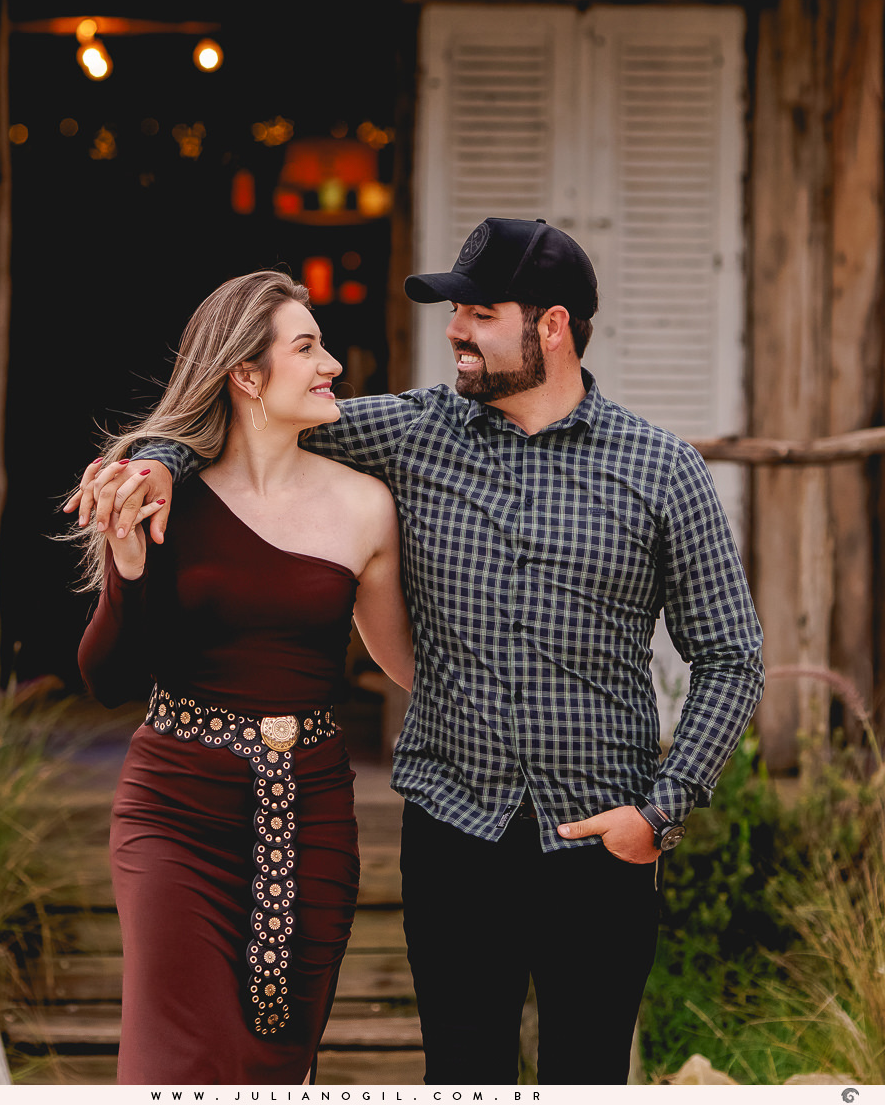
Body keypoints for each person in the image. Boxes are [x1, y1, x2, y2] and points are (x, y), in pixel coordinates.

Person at [72, 219, 764, 1085]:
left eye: (478, 312)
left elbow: (732, 655)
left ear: (550, 327)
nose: (454, 332)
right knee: (460, 1075)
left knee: (587, 1075)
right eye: (453, 311)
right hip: (455, 833)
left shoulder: (662, 471)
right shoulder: (414, 431)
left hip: (599, 835)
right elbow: (253, 418)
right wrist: (163, 459)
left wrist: (661, 812)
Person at [72, 270, 412, 1085]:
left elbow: (408, 665)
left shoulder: (367, 505)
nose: (332, 363)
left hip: (313, 812)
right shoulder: (161, 495)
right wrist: (127, 567)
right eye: (308, 348)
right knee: (178, 1060)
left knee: (277, 1062)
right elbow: (106, 678)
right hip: (175, 812)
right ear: (247, 377)